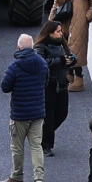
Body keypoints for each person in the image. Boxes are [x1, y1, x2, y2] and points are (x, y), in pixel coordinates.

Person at [0, 34, 49, 182]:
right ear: (32, 47)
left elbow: (5, 87)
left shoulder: (15, 67)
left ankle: (17, 176)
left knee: (17, 147)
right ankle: (38, 177)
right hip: (38, 112)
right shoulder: (42, 64)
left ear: (19, 47)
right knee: (36, 146)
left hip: (20, 114)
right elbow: (45, 83)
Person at [34, 21, 74, 156]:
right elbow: (40, 63)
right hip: (48, 85)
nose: (61, 33)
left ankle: (42, 135)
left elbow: (70, 56)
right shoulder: (41, 46)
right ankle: (46, 145)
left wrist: (72, 60)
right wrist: (61, 60)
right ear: (50, 33)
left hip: (62, 83)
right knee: (48, 116)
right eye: (58, 31)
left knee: (62, 114)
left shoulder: (62, 44)